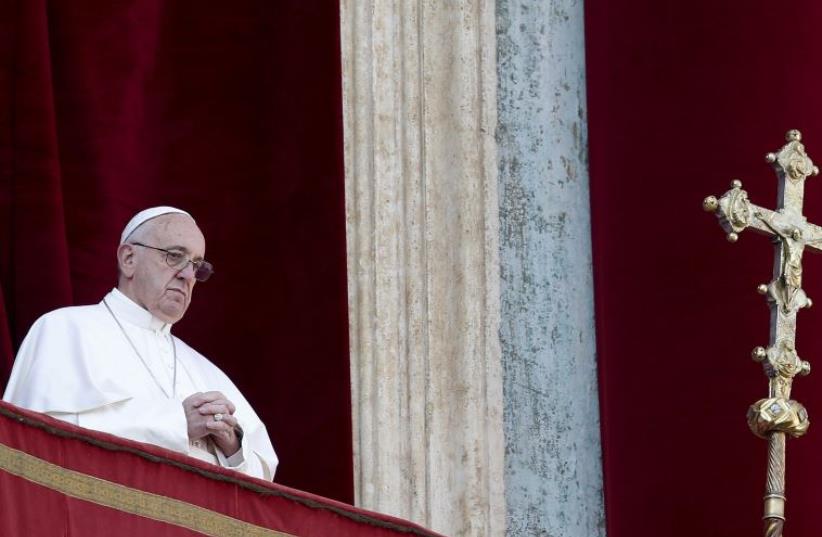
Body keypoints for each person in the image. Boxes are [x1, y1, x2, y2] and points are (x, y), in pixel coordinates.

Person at [2, 206, 278, 480]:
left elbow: (262, 482)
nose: (187, 275)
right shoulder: (65, 330)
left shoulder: (206, 371)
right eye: (174, 256)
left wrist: (232, 447)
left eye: (196, 265)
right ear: (129, 258)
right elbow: (37, 445)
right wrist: (176, 425)